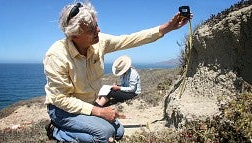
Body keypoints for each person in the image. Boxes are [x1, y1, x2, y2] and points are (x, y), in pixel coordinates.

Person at [43, 1, 192, 142]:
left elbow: (131, 39)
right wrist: (99, 112)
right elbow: (61, 100)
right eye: (91, 29)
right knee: (104, 134)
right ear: (75, 35)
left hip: (87, 105)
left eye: (97, 25)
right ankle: (57, 130)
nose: (98, 30)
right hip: (62, 110)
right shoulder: (56, 56)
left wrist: (168, 27)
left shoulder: (99, 41)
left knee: (118, 132)